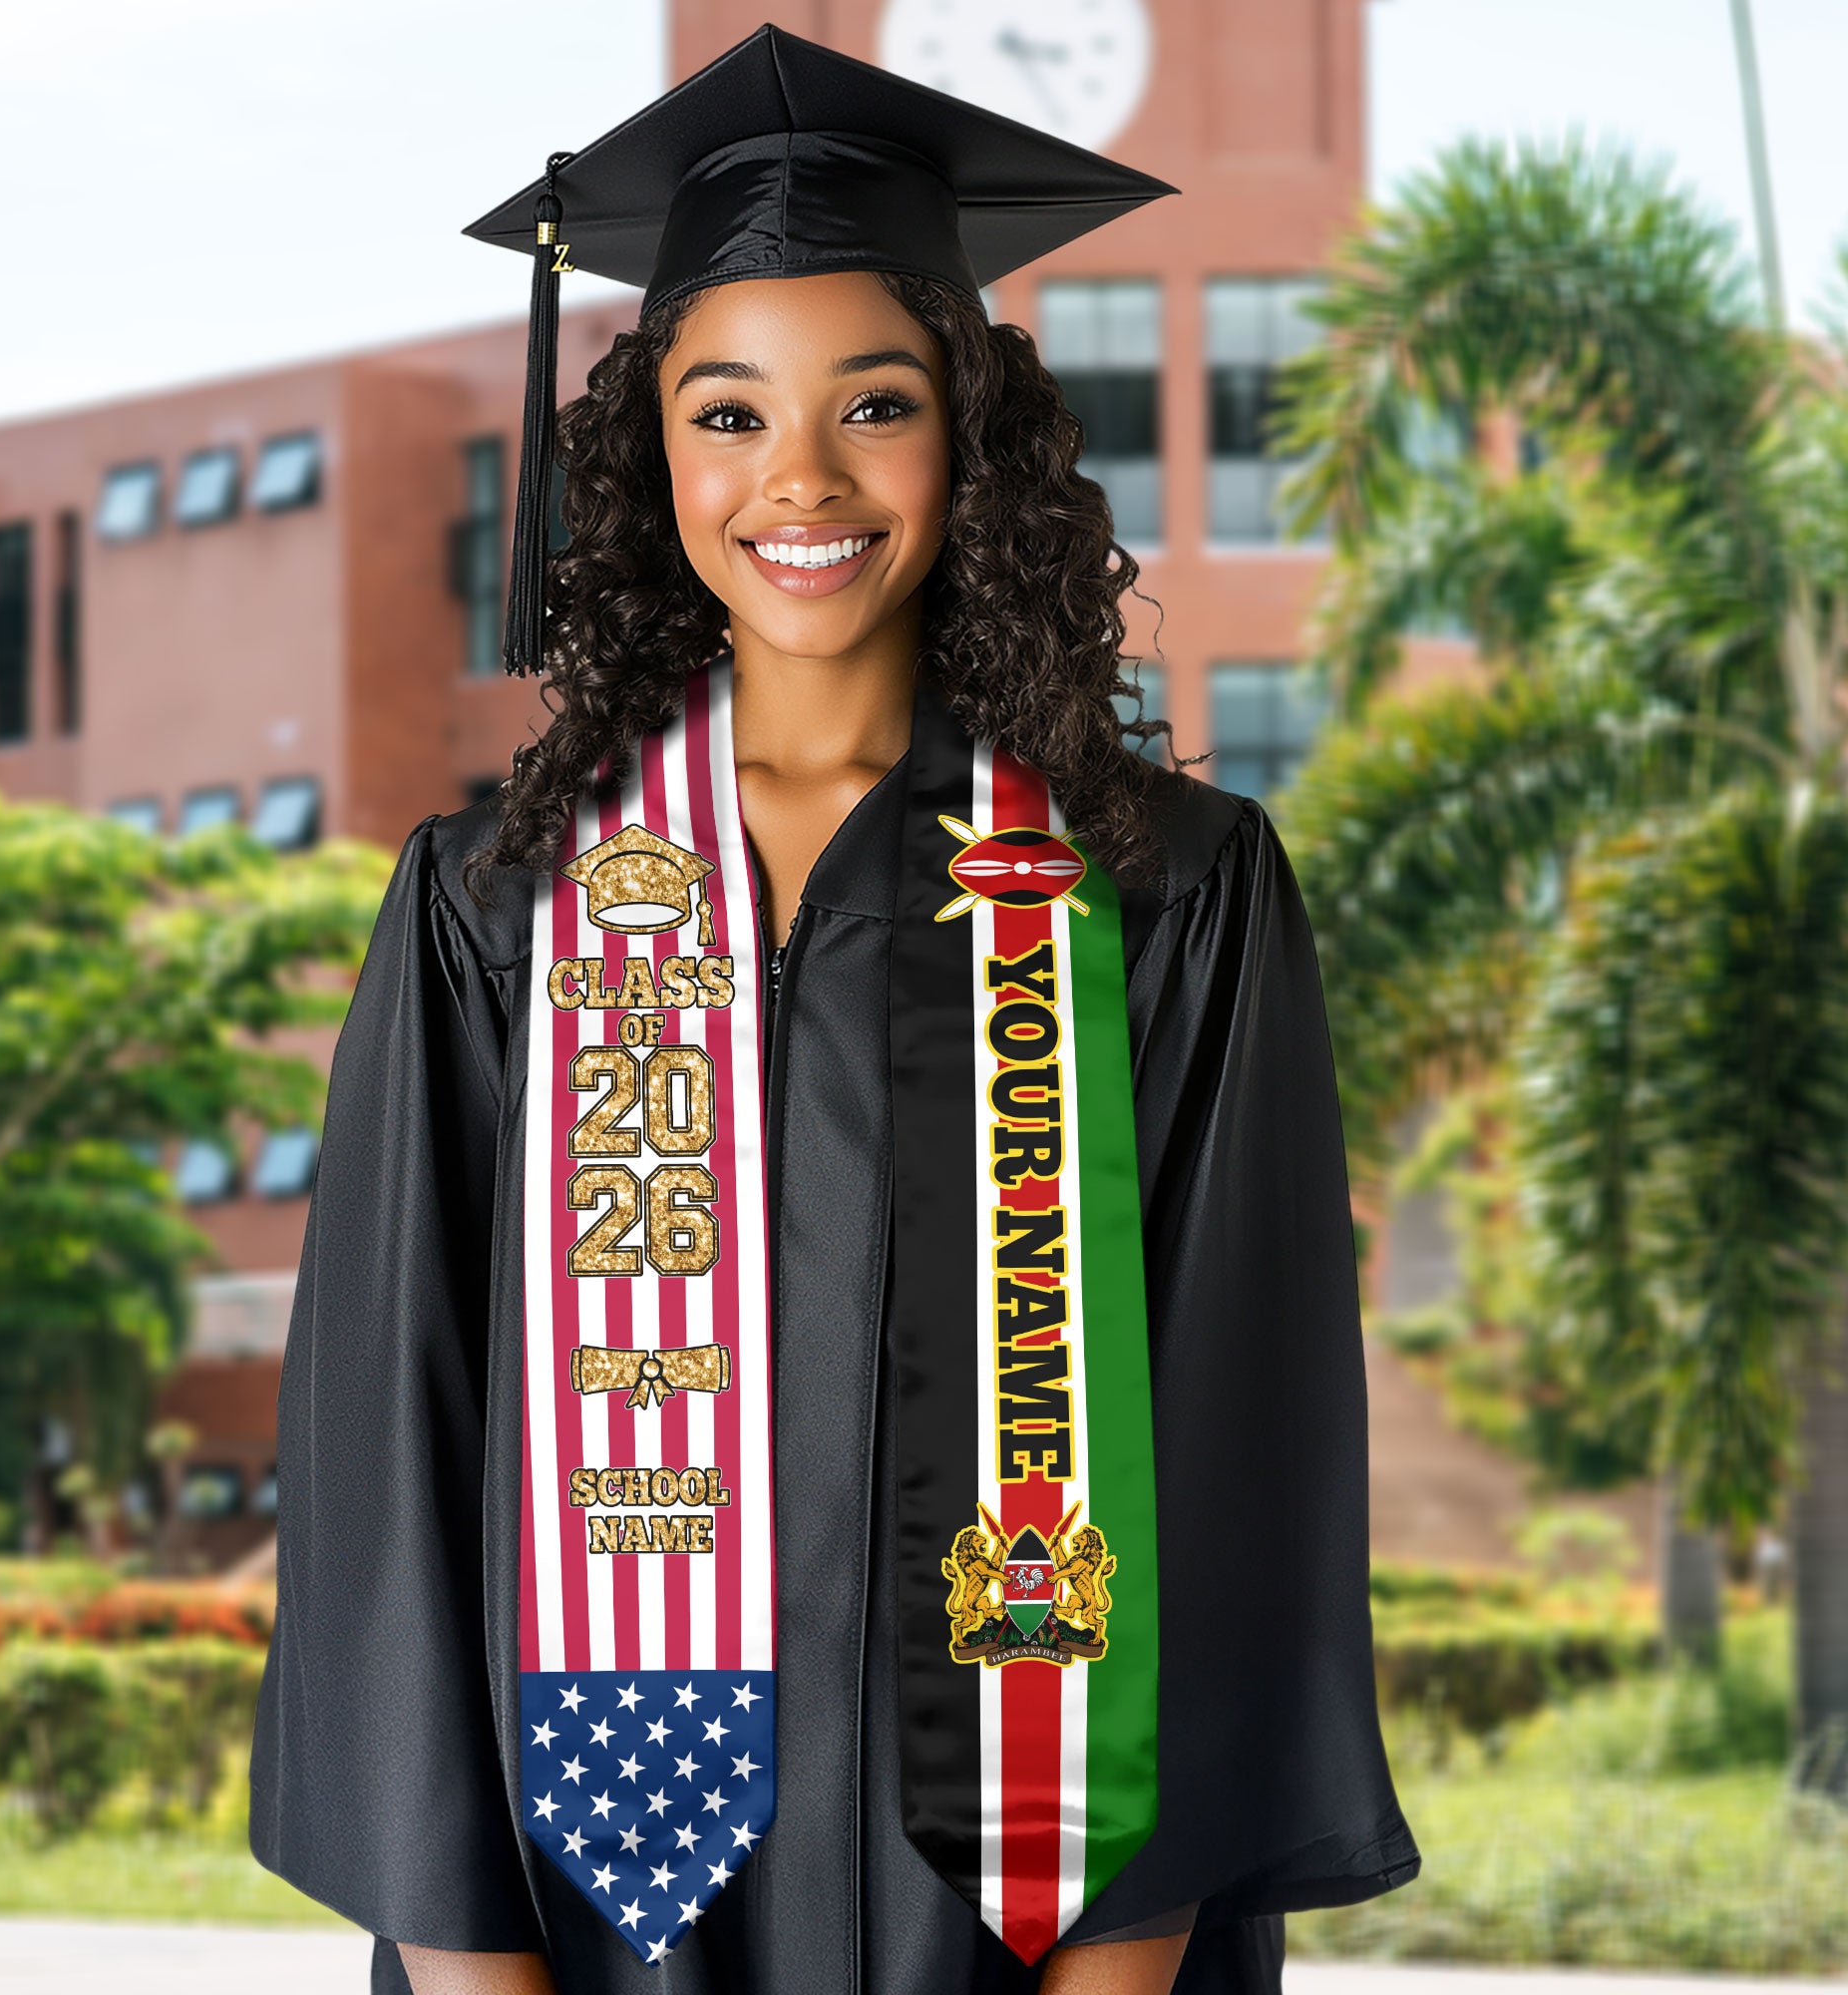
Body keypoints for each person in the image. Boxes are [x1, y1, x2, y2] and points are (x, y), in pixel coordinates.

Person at [248, 26, 1421, 1995]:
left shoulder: (1166, 893)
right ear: (648, 459)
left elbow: (1239, 1476)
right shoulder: (496, 910)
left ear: (968, 430)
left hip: (1033, 1926)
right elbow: (390, 1464)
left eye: (872, 403)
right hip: (589, 1921)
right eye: (726, 414)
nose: (799, 477)